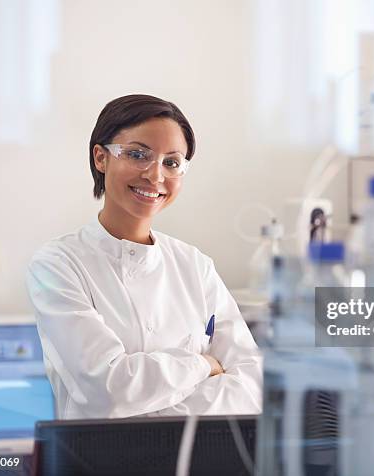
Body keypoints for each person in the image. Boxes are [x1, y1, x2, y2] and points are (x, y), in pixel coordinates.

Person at [26, 94, 262, 419]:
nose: (155, 175)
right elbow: (107, 391)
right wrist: (202, 364)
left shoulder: (195, 265)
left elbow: (251, 385)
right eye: (138, 154)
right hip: (97, 465)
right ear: (100, 157)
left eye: (172, 162)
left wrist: (146, 410)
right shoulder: (59, 264)